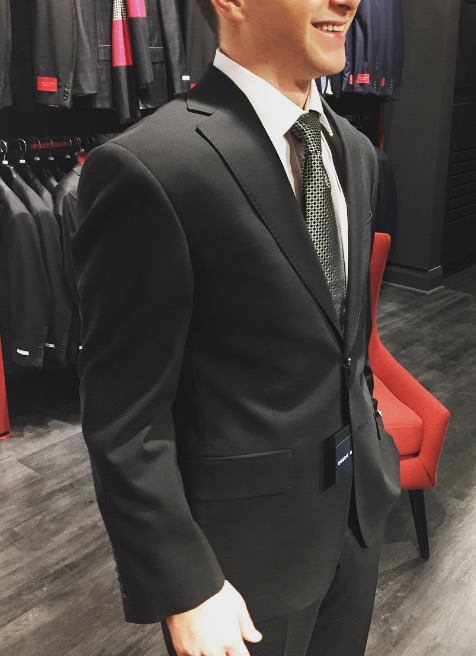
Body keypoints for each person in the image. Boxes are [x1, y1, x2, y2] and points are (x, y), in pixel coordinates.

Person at [72, 1, 401, 654]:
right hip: (240, 570)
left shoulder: (356, 152)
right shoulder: (153, 166)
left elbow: (345, 345)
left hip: (356, 522)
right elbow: (124, 415)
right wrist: (185, 584)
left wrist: (375, 448)